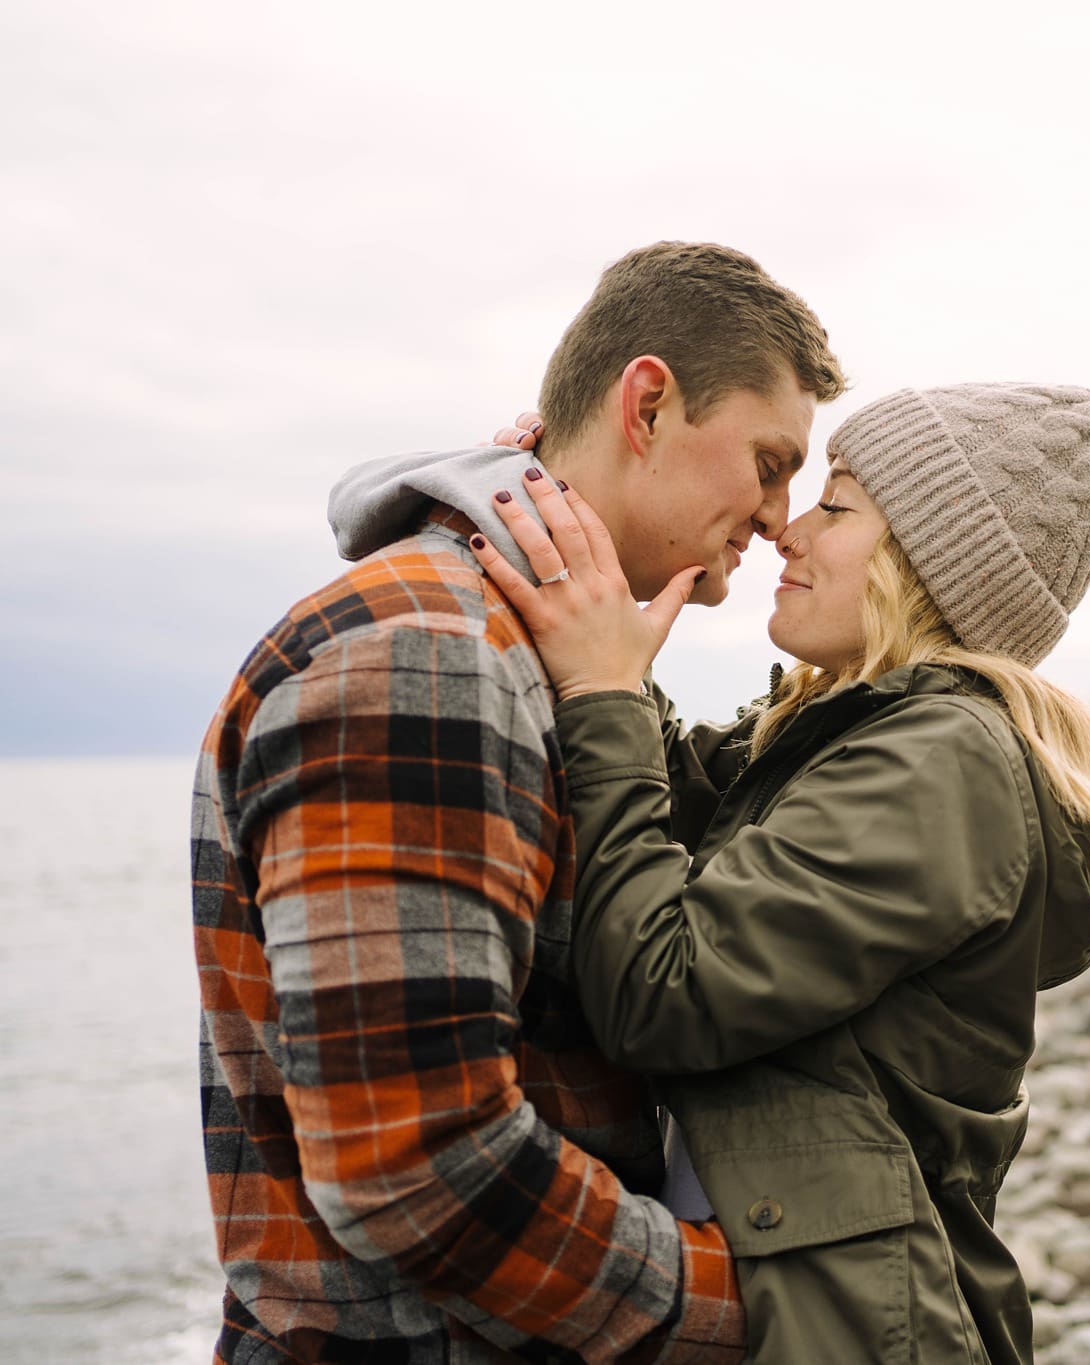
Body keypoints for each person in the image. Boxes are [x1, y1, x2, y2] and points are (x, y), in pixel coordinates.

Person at [191, 240, 844, 1363]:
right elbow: (414, 1166)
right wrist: (754, 1313)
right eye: (771, 461)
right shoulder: (426, 655)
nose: (781, 516)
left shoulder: (522, 648)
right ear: (646, 404)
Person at [468, 379, 1090, 1362]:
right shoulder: (845, 738)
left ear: (926, 565)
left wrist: (604, 686)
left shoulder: (943, 761)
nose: (789, 530)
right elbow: (667, 798)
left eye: (837, 505)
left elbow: (664, 990)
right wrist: (571, 506)